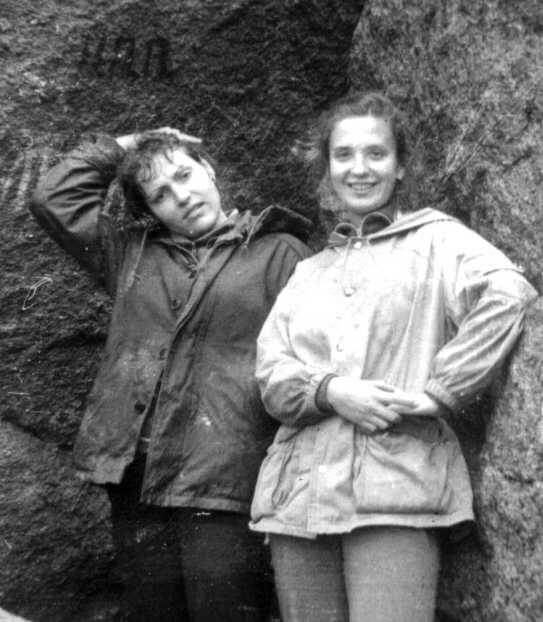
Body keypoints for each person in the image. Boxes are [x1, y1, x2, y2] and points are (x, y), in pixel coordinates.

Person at [249, 92, 538, 622]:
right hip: (297, 500)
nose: (359, 169)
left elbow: (508, 293)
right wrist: (331, 392)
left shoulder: (438, 241)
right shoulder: (309, 271)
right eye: (343, 155)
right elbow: (270, 374)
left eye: (376, 154)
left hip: (395, 491)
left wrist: (440, 392)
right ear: (327, 168)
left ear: (401, 165)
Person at [30, 128, 311, 622]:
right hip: (138, 473)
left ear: (211, 171)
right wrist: (130, 143)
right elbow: (53, 198)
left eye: (184, 175)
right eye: (160, 194)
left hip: (224, 475)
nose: (180, 196)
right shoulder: (131, 253)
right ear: (151, 211)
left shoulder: (281, 253)